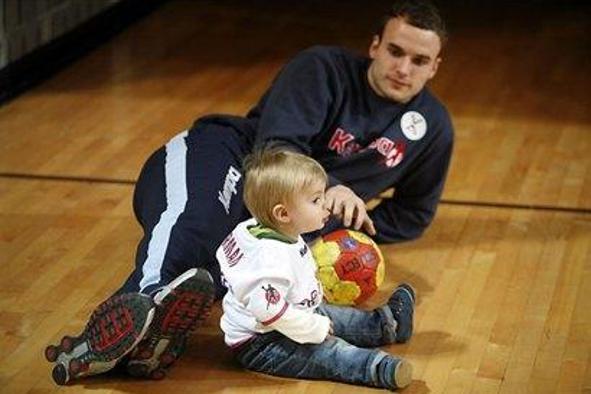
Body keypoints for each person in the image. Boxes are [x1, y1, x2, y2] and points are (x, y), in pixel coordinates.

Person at [45, 0, 452, 385]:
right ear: (375, 46)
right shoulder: (321, 69)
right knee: (196, 224)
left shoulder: (433, 127)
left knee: (221, 274)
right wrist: (333, 187)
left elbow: (412, 214)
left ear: (434, 67)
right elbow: (276, 148)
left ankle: (145, 345)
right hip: (223, 159)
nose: (403, 68)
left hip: (271, 223)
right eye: (395, 52)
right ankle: (135, 308)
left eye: (418, 61)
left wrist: (336, 232)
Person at [218, 148, 416, 391]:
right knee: (328, 352)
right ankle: (376, 368)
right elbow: (268, 311)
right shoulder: (269, 259)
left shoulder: (262, 227)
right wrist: (314, 328)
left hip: (294, 313)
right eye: (316, 200)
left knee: (341, 318)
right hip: (262, 342)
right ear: (283, 213)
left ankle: (388, 323)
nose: (326, 206)